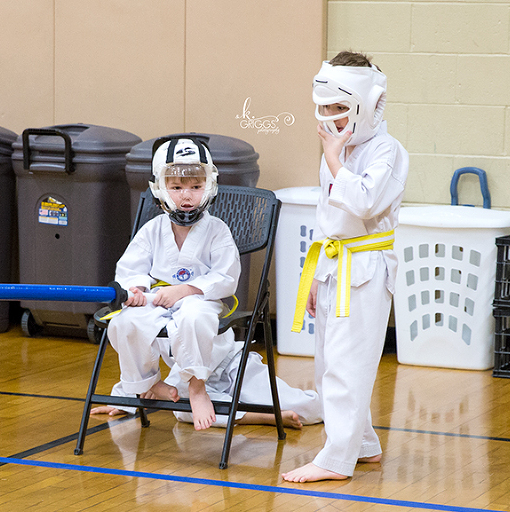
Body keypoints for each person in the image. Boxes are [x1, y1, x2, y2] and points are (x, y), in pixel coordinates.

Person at [281, 51, 409, 483]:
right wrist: (317, 277)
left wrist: (334, 158)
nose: (333, 117)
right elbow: (328, 218)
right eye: (327, 107)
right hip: (335, 264)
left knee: (346, 366)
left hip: (366, 268)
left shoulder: (386, 150)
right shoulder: (336, 150)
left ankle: (336, 459)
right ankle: (364, 445)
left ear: (368, 104)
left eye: (341, 107)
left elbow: (365, 202)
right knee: (327, 364)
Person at [106, 135, 239, 431]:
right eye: (176, 187)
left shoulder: (217, 230)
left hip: (199, 301)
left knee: (194, 317)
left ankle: (197, 387)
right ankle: (148, 384)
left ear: (210, 186)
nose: (186, 195)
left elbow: (226, 276)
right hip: (157, 301)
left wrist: (186, 290)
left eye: (195, 186)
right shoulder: (152, 230)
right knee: (123, 322)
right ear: (159, 188)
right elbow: (130, 269)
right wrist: (136, 290)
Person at [91, 337, 322, 430]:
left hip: (230, 364)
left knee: (310, 410)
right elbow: (137, 356)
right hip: (186, 377)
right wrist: (124, 398)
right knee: (180, 409)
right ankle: (265, 417)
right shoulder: (147, 308)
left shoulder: (196, 298)